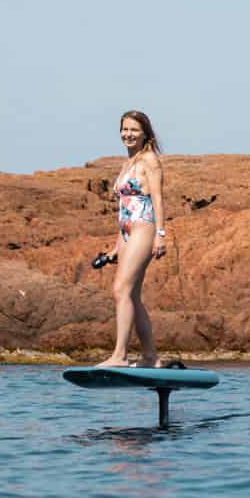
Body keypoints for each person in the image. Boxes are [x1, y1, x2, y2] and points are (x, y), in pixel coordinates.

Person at [94, 110, 167, 366]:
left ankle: (120, 355)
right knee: (132, 296)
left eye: (134, 129)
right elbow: (124, 207)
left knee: (120, 290)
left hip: (144, 227)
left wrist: (161, 234)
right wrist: (116, 247)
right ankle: (150, 357)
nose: (128, 134)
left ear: (145, 132)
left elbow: (157, 198)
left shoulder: (149, 160)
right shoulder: (127, 162)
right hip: (126, 231)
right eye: (125, 129)